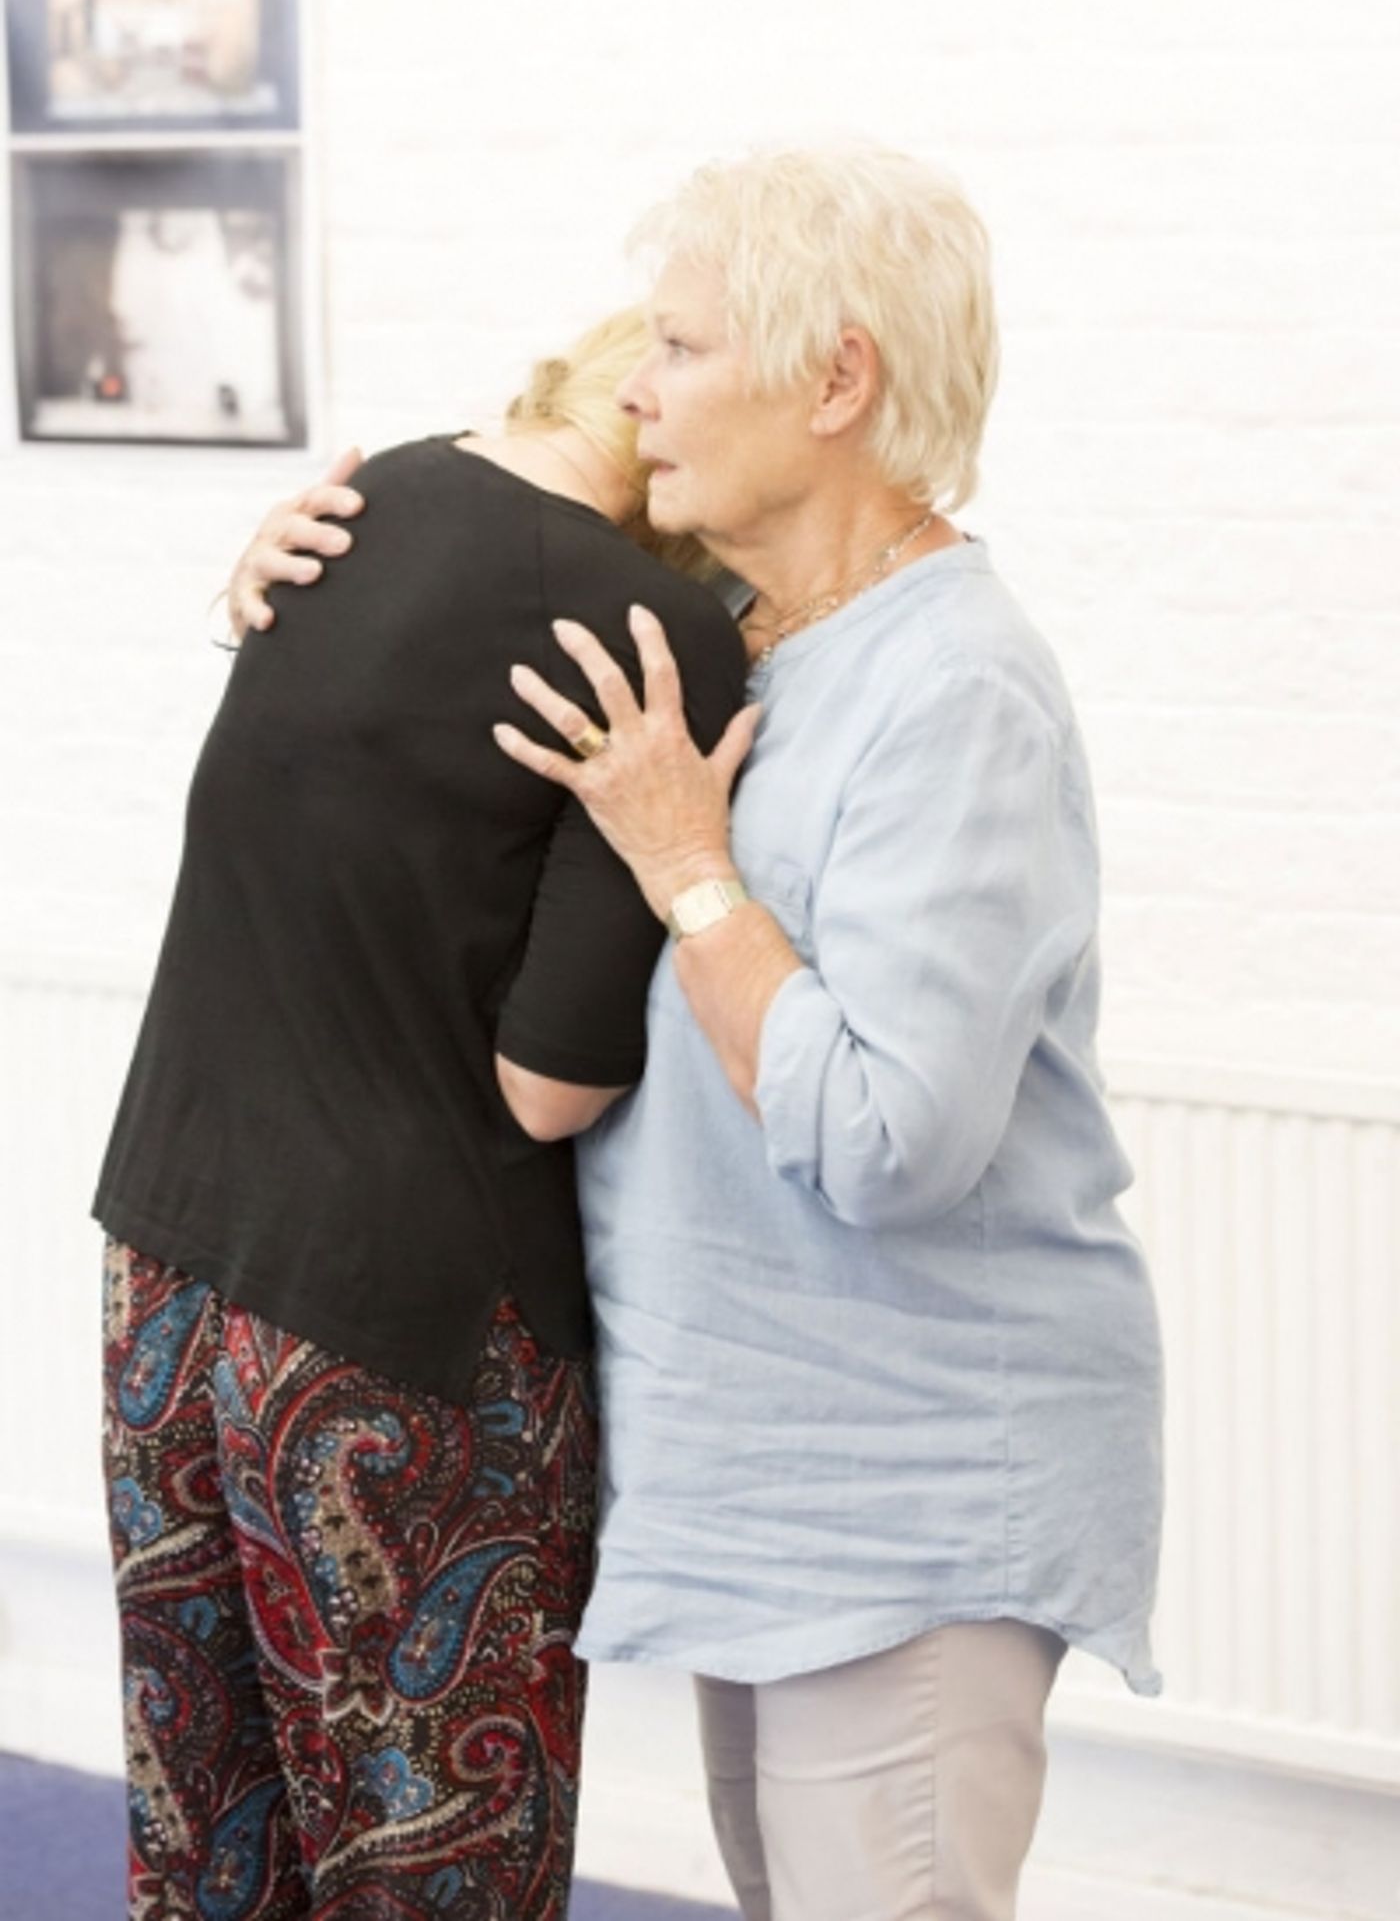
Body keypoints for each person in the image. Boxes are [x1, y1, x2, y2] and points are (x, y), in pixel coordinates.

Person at [233, 144, 1165, 1921]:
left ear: (836, 380)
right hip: (763, 1479)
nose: (638, 389)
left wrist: (685, 863)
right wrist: (279, 586)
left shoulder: (957, 687)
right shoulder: (744, 641)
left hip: (908, 1502)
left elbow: (888, 1141)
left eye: (680, 346)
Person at [92, 308, 750, 1921]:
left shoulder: (355, 501)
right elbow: (548, 1085)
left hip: (166, 1272)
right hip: (402, 1336)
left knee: (211, 1839)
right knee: (431, 1865)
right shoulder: (656, 630)